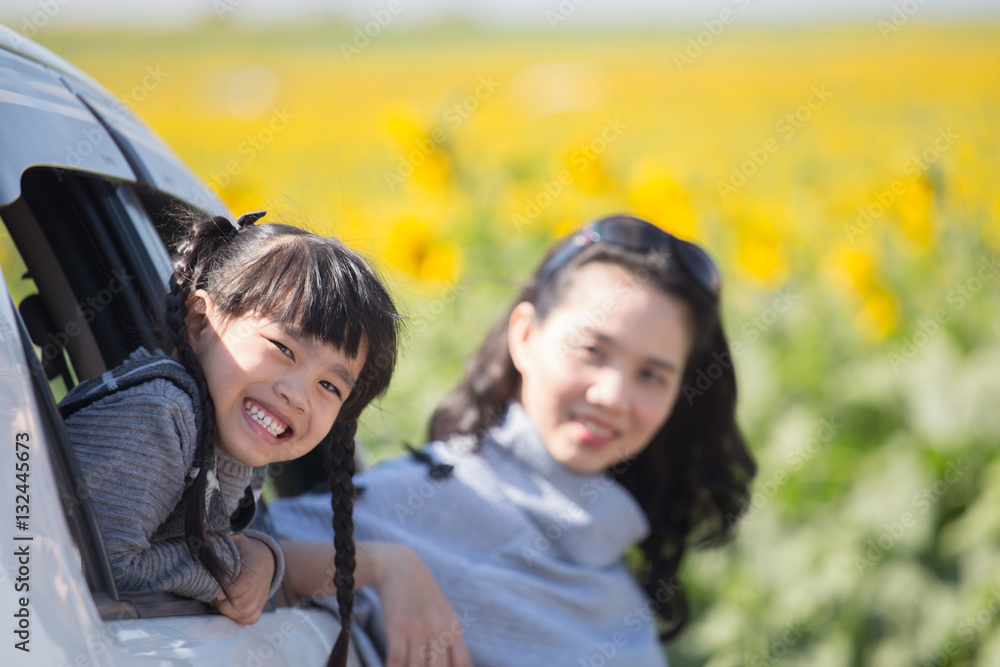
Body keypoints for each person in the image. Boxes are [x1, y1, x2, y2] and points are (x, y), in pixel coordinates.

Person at [269, 214, 757, 666]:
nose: (612, 395)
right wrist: (380, 566)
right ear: (524, 336)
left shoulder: (610, 564)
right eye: (592, 350)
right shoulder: (422, 502)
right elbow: (218, 560)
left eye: (652, 375)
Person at [60, 211, 402, 667]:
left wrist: (262, 557)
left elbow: (237, 535)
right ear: (201, 322)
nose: (297, 395)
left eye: (329, 386)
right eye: (282, 349)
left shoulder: (236, 439)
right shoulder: (161, 413)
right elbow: (96, 568)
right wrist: (228, 569)